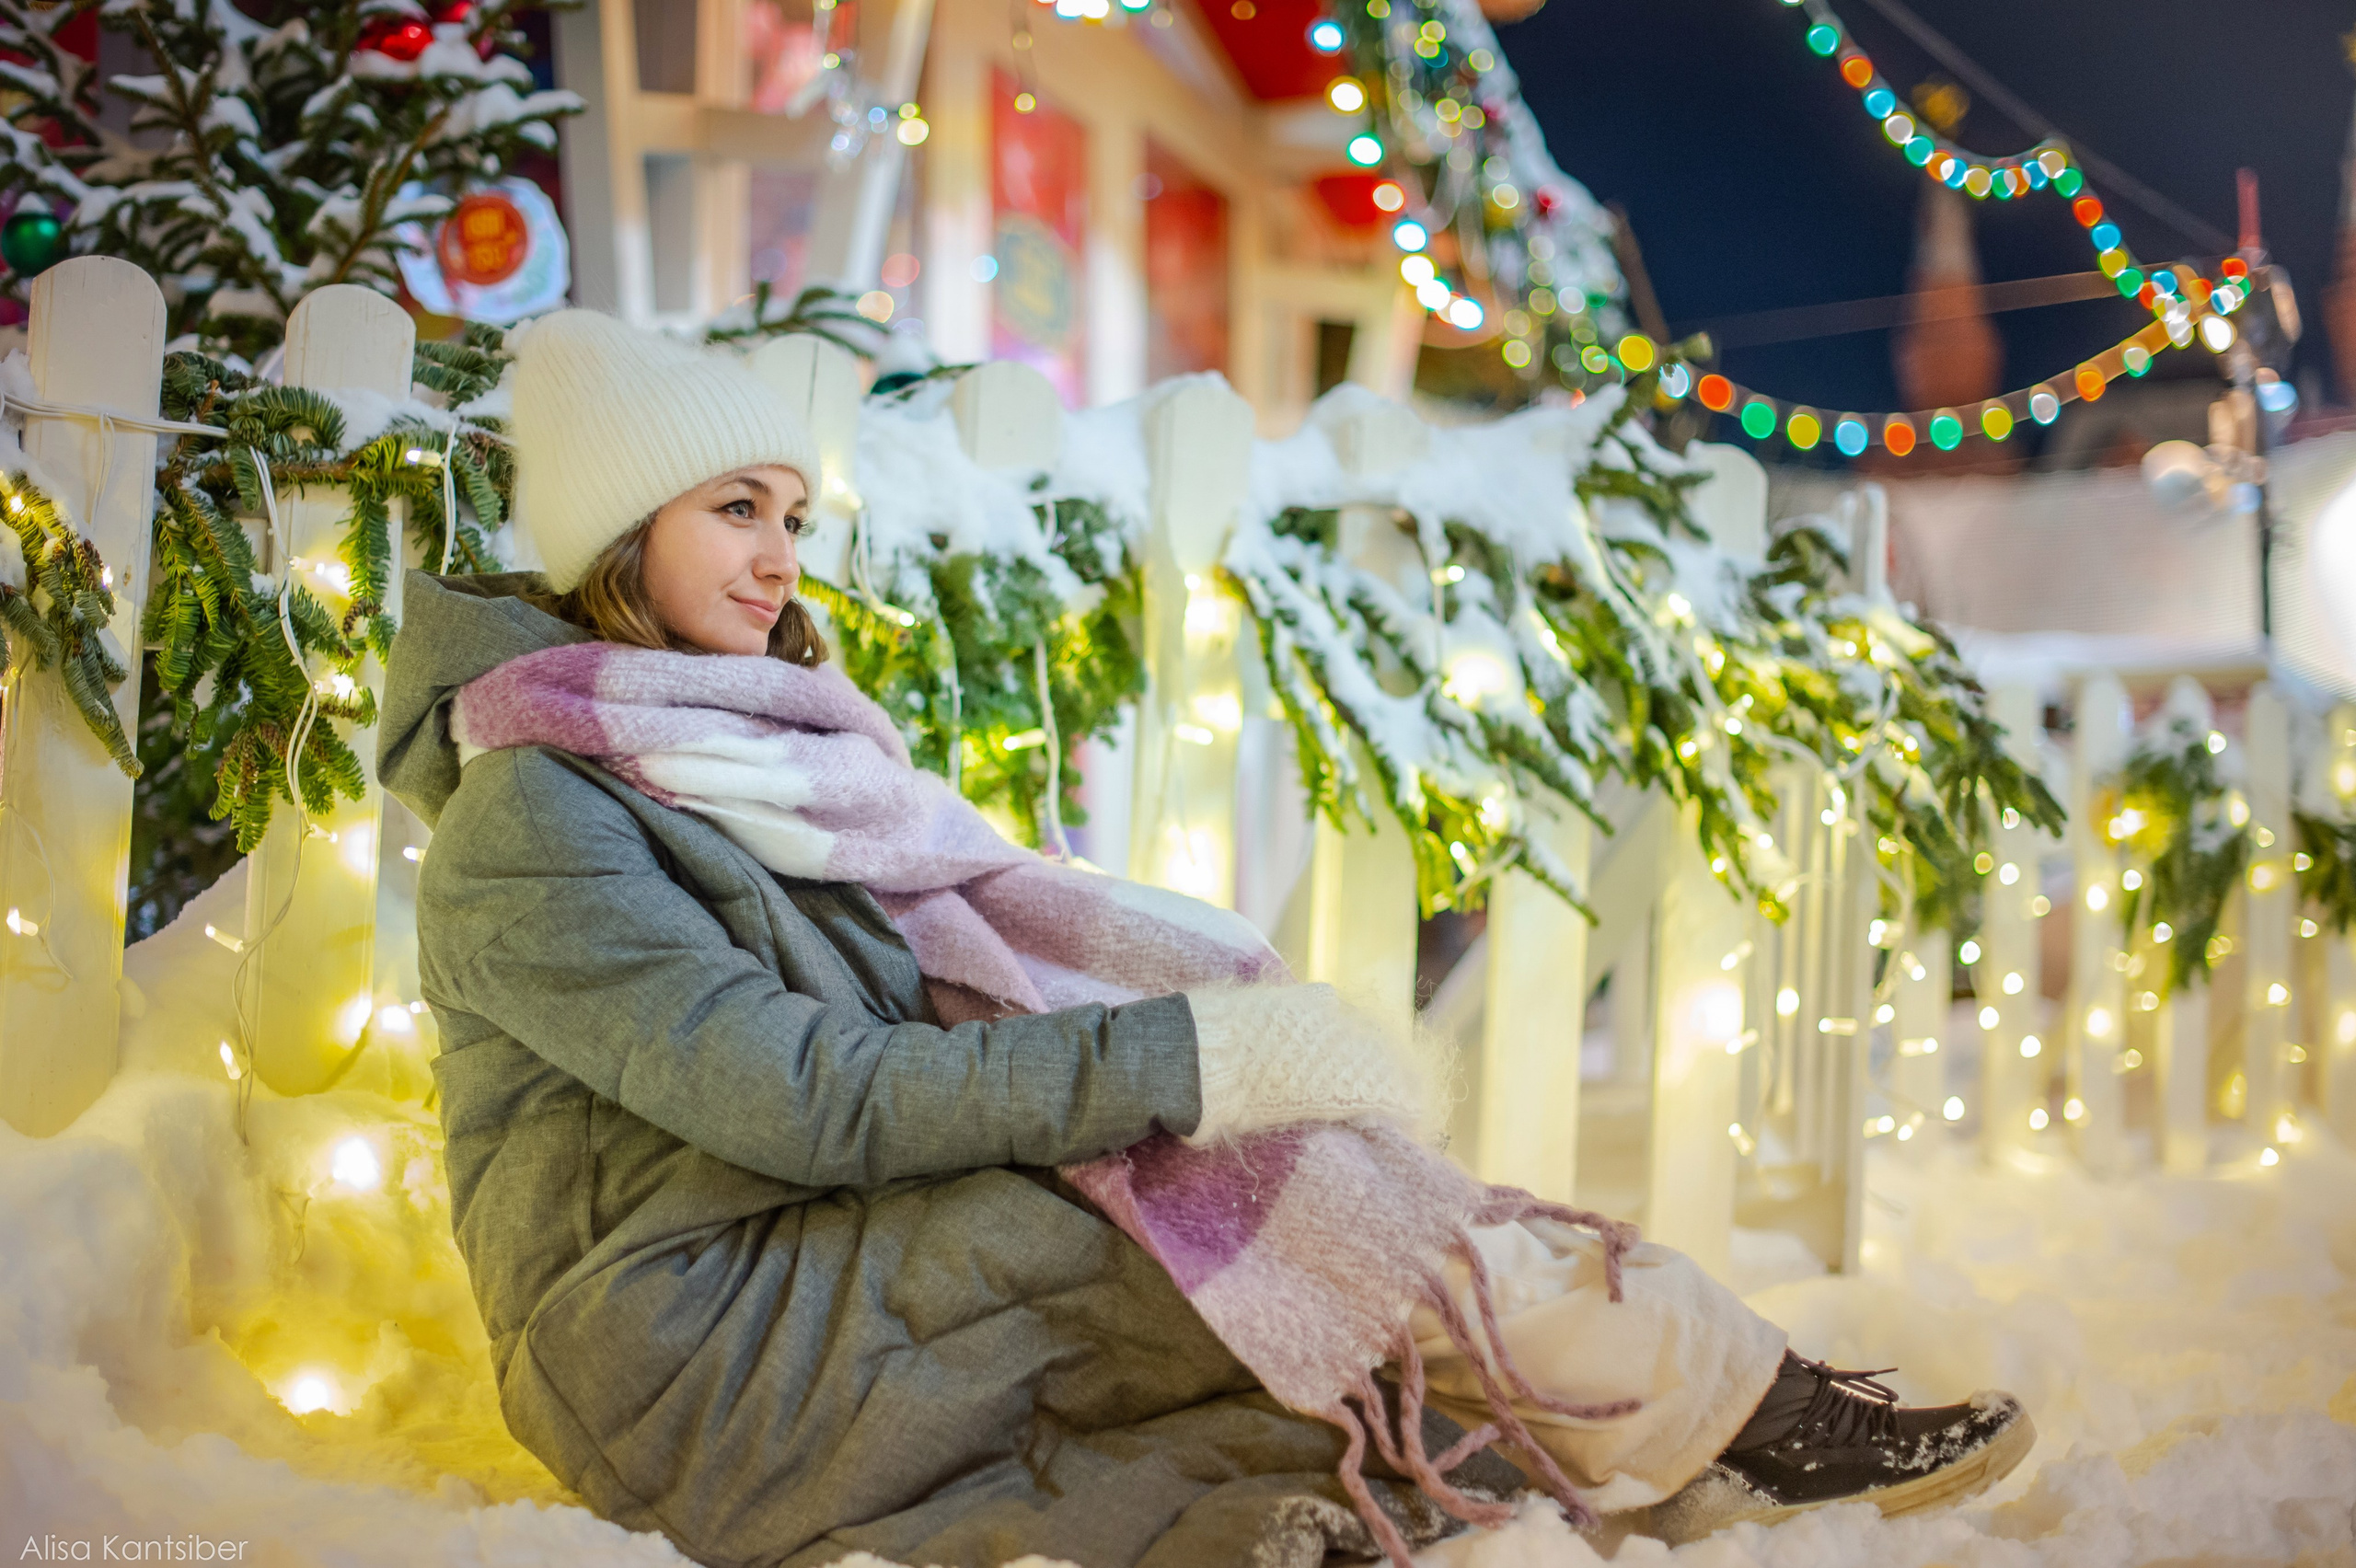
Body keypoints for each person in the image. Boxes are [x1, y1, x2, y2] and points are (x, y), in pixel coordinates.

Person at [379, 311, 2034, 1568]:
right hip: (691, 1348)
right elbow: (809, 1096)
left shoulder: (752, 754)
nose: (777, 557)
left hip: (817, 1264)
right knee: (1260, 1237)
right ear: (617, 534)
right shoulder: (537, 821)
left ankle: (1675, 1419)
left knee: (1263, 1232)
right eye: (736, 508)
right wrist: (1188, 1062)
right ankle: (1723, 1415)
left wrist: (1196, 1076)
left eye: (793, 516)